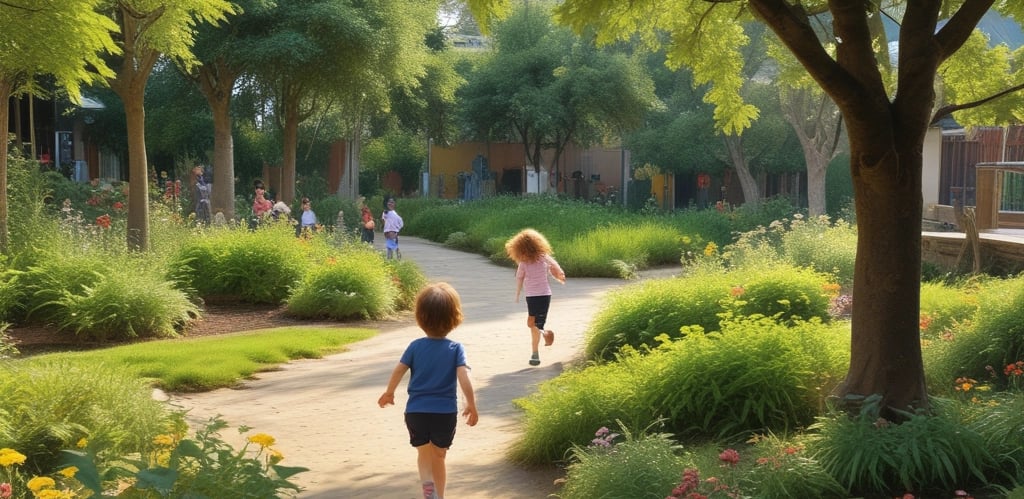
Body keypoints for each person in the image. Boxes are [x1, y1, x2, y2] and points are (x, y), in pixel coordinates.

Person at [378, 282, 478, 499]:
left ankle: (428, 491)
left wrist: (389, 392)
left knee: (424, 453)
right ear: (454, 317)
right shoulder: (455, 349)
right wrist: (471, 404)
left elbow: (399, 370)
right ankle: (439, 496)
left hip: (416, 412)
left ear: (420, 316)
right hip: (444, 413)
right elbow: (464, 376)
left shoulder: (415, 346)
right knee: (439, 456)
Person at [504, 228, 566, 366]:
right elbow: (556, 266)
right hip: (542, 295)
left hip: (535, 296)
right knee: (536, 323)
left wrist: (517, 294)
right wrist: (561, 275)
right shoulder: (542, 258)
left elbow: (519, 279)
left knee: (534, 324)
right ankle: (543, 336)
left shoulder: (526, 262)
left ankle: (536, 351)